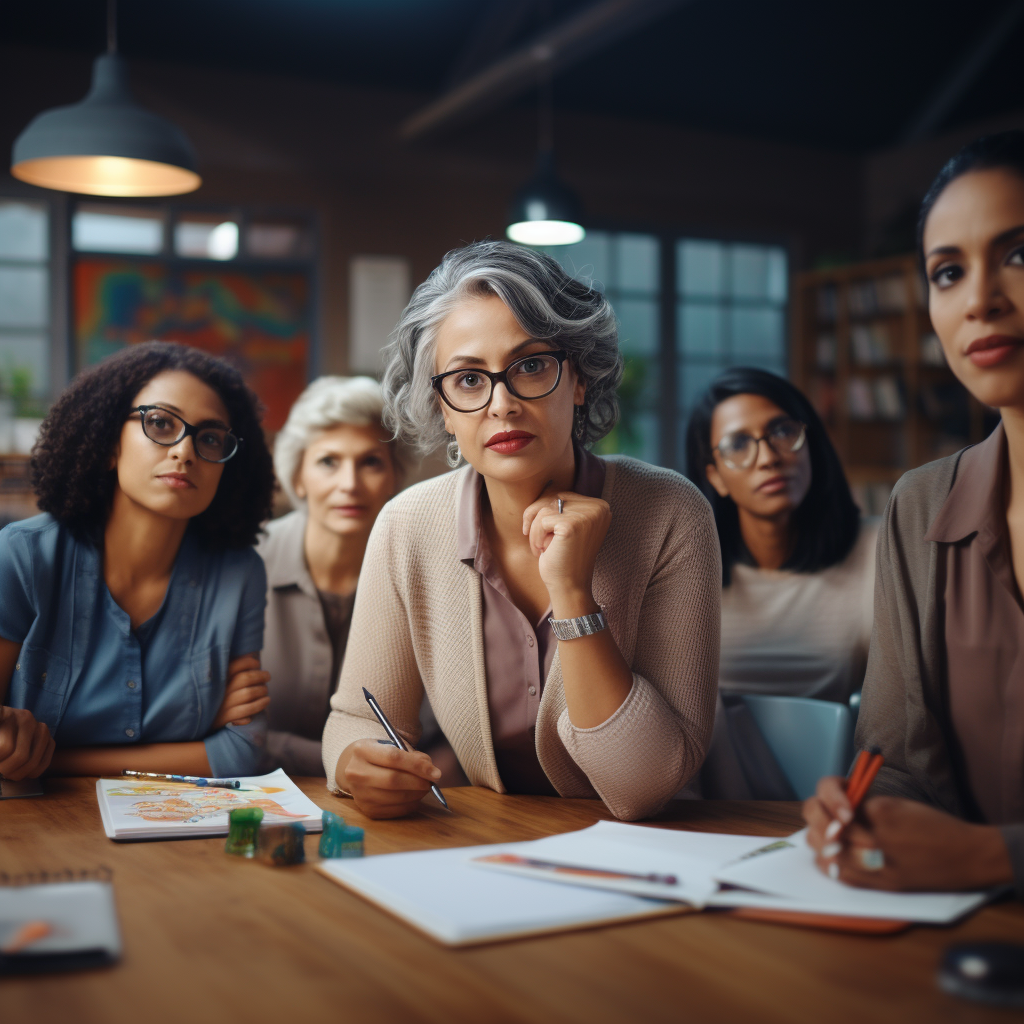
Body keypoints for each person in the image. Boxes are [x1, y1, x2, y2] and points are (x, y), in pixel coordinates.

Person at [321, 239, 721, 821]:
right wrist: (356, 763)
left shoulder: (671, 512)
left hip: (655, 855)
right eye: (467, 380)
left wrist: (574, 594)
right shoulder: (407, 525)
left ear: (579, 380)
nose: (501, 404)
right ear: (442, 410)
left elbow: (641, 787)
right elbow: (356, 718)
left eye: (531, 365)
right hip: (491, 841)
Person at [805, 131, 1024, 895]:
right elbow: (898, 763)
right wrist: (867, 814)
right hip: (952, 942)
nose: (980, 300)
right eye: (948, 272)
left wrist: (992, 859)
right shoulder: (920, 503)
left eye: (1018, 253)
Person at [0, 341, 275, 781]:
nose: (185, 451)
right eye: (161, 423)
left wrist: (50, 761)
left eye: (208, 437)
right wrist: (193, 745)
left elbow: (242, 751)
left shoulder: (239, 574)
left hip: (180, 833)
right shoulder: (22, 557)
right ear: (108, 444)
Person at [686, 367, 875, 705]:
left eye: (783, 432)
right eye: (738, 444)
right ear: (714, 477)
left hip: (838, 756)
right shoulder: (688, 571)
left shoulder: (874, 548)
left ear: (810, 446)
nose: (769, 458)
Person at [257, 376, 407, 776]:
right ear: (299, 478)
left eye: (370, 462)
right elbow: (221, 732)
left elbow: (439, 736)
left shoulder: (419, 574)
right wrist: (342, 764)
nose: (349, 485)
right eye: (328, 462)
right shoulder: (244, 565)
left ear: (394, 477)